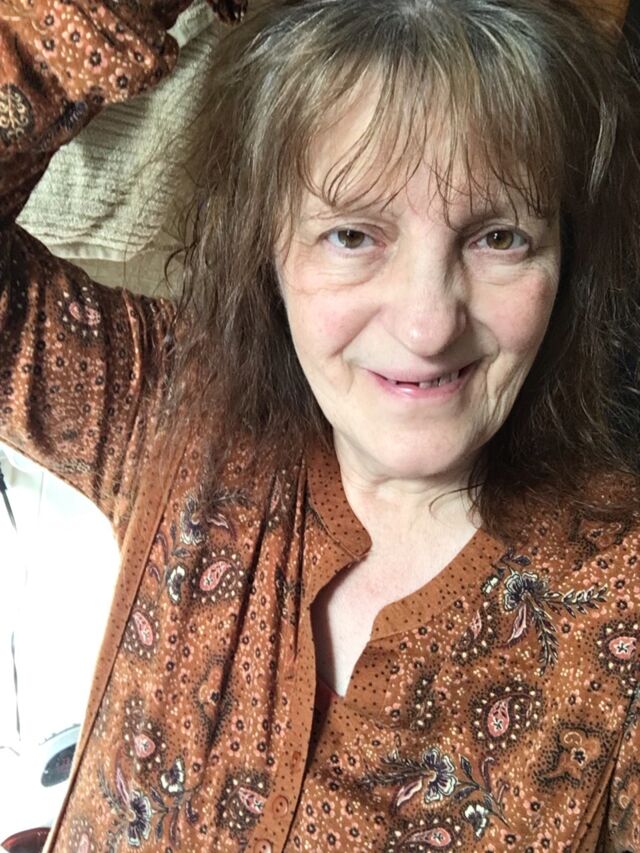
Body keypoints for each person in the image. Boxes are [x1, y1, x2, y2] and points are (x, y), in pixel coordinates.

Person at [0, 0, 638, 851]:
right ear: (268, 245)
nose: (427, 325)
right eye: (351, 235)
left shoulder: (622, 609)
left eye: (498, 236)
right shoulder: (179, 404)